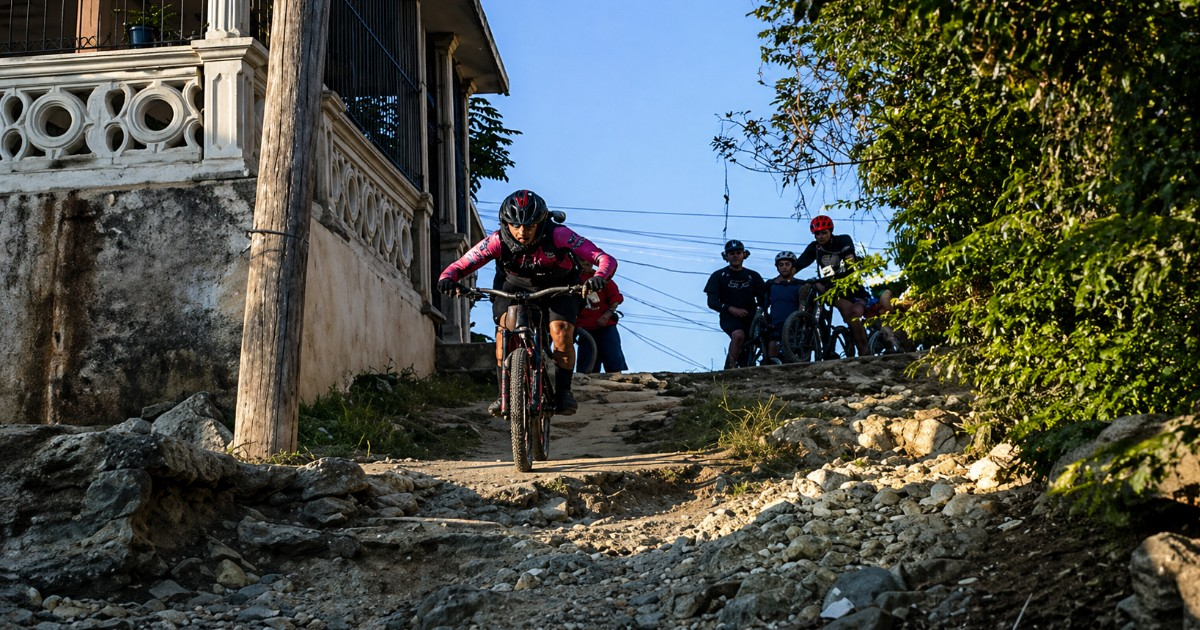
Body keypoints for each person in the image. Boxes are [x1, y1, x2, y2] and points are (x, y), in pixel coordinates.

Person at [438, 189, 617, 416]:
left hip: (560, 286)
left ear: (541, 223)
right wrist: (447, 279)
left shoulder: (558, 234)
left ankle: (564, 392)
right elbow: (462, 264)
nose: (522, 232)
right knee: (504, 334)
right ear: (506, 224)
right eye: (516, 225)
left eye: (530, 226)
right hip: (512, 286)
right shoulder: (496, 241)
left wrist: (599, 277)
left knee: (561, 332)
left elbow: (604, 258)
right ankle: (505, 394)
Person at [793, 215, 870, 356]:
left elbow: (850, 262)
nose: (821, 236)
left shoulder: (843, 240)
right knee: (848, 315)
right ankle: (825, 344)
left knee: (854, 315)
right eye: (817, 234)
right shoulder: (814, 248)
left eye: (824, 232)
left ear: (831, 231)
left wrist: (836, 275)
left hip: (851, 285)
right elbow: (799, 264)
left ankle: (864, 351)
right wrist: (785, 276)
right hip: (833, 289)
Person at [704, 239, 765, 370]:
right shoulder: (718, 276)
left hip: (751, 317)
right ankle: (729, 368)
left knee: (760, 341)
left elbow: (764, 297)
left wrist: (762, 312)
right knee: (738, 335)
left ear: (744, 254)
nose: (735, 256)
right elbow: (712, 302)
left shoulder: (753, 276)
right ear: (726, 256)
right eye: (731, 253)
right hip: (729, 317)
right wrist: (730, 309)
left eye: (738, 252)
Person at [575, 258, 628, 374]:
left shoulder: (600, 278)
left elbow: (615, 298)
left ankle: (616, 380)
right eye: (582, 261)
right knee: (587, 363)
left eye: (587, 262)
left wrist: (607, 315)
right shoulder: (573, 280)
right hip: (585, 329)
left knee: (613, 356)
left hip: (605, 326)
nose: (585, 264)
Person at [764, 250, 806, 363]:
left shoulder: (800, 284)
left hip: (794, 323)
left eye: (787, 264)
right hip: (775, 322)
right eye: (781, 265)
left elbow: (804, 303)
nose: (784, 267)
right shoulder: (771, 284)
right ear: (777, 267)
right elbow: (764, 304)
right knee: (772, 346)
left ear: (793, 266)